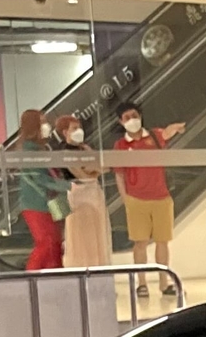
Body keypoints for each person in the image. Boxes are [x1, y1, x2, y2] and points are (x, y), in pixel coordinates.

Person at [112, 103, 184, 296]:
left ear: (141, 115)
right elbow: (119, 174)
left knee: (162, 242)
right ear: (121, 122)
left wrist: (176, 127)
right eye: (126, 117)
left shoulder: (154, 135)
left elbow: (167, 132)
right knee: (140, 243)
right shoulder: (120, 146)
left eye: (134, 115)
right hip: (136, 199)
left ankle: (164, 283)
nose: (131, 120)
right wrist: (125, 198)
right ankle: (142, 283)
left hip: (161, 197)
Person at [11, 108, 64, 271]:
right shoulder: (29, 151)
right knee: (46, 242)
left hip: (49, 202)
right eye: (42, 122)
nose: (46, 126)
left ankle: (54, 275)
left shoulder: (39, 148)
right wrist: (66, 185)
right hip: (37, 203)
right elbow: (40, 178)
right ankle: (31, 278)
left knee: (55, 242)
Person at [55, 113, 110, 268]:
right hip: (78, 193)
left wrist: (92, 170)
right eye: (75, 128)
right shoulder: (65, 153)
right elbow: (81, 174)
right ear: (65, 132)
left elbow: (103, 167)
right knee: (82, 236)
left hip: (94, 191)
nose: (79, 131)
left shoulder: (85, 148)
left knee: (98, 233)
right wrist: (92, 170)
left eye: (79, 127)